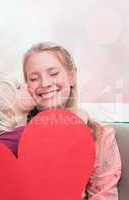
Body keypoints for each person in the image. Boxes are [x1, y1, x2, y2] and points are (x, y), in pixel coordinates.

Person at [22, 42, 121, 199]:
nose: (45, 83)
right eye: (34, 78)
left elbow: (103, 195)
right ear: (27, 86)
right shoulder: (18, 135)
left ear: (72, 76)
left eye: (53, 73)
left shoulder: (100, 135)